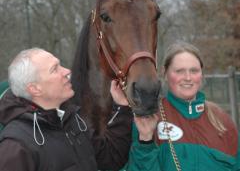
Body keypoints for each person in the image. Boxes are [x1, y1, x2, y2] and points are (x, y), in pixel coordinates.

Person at [0, 48, 132, 171]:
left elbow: (110, 158)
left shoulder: (74, 121)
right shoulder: (16, 146)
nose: (67, 71)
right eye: (54, 69)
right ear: (35, 89)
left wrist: (122, 107)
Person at [121, 41, 240, 171]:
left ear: (201, 74)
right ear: (165, 73)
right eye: (179, 71)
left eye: (194, 71)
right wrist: (146, 140)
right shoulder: (149, 118)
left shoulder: (222, 120)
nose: (188, 77)